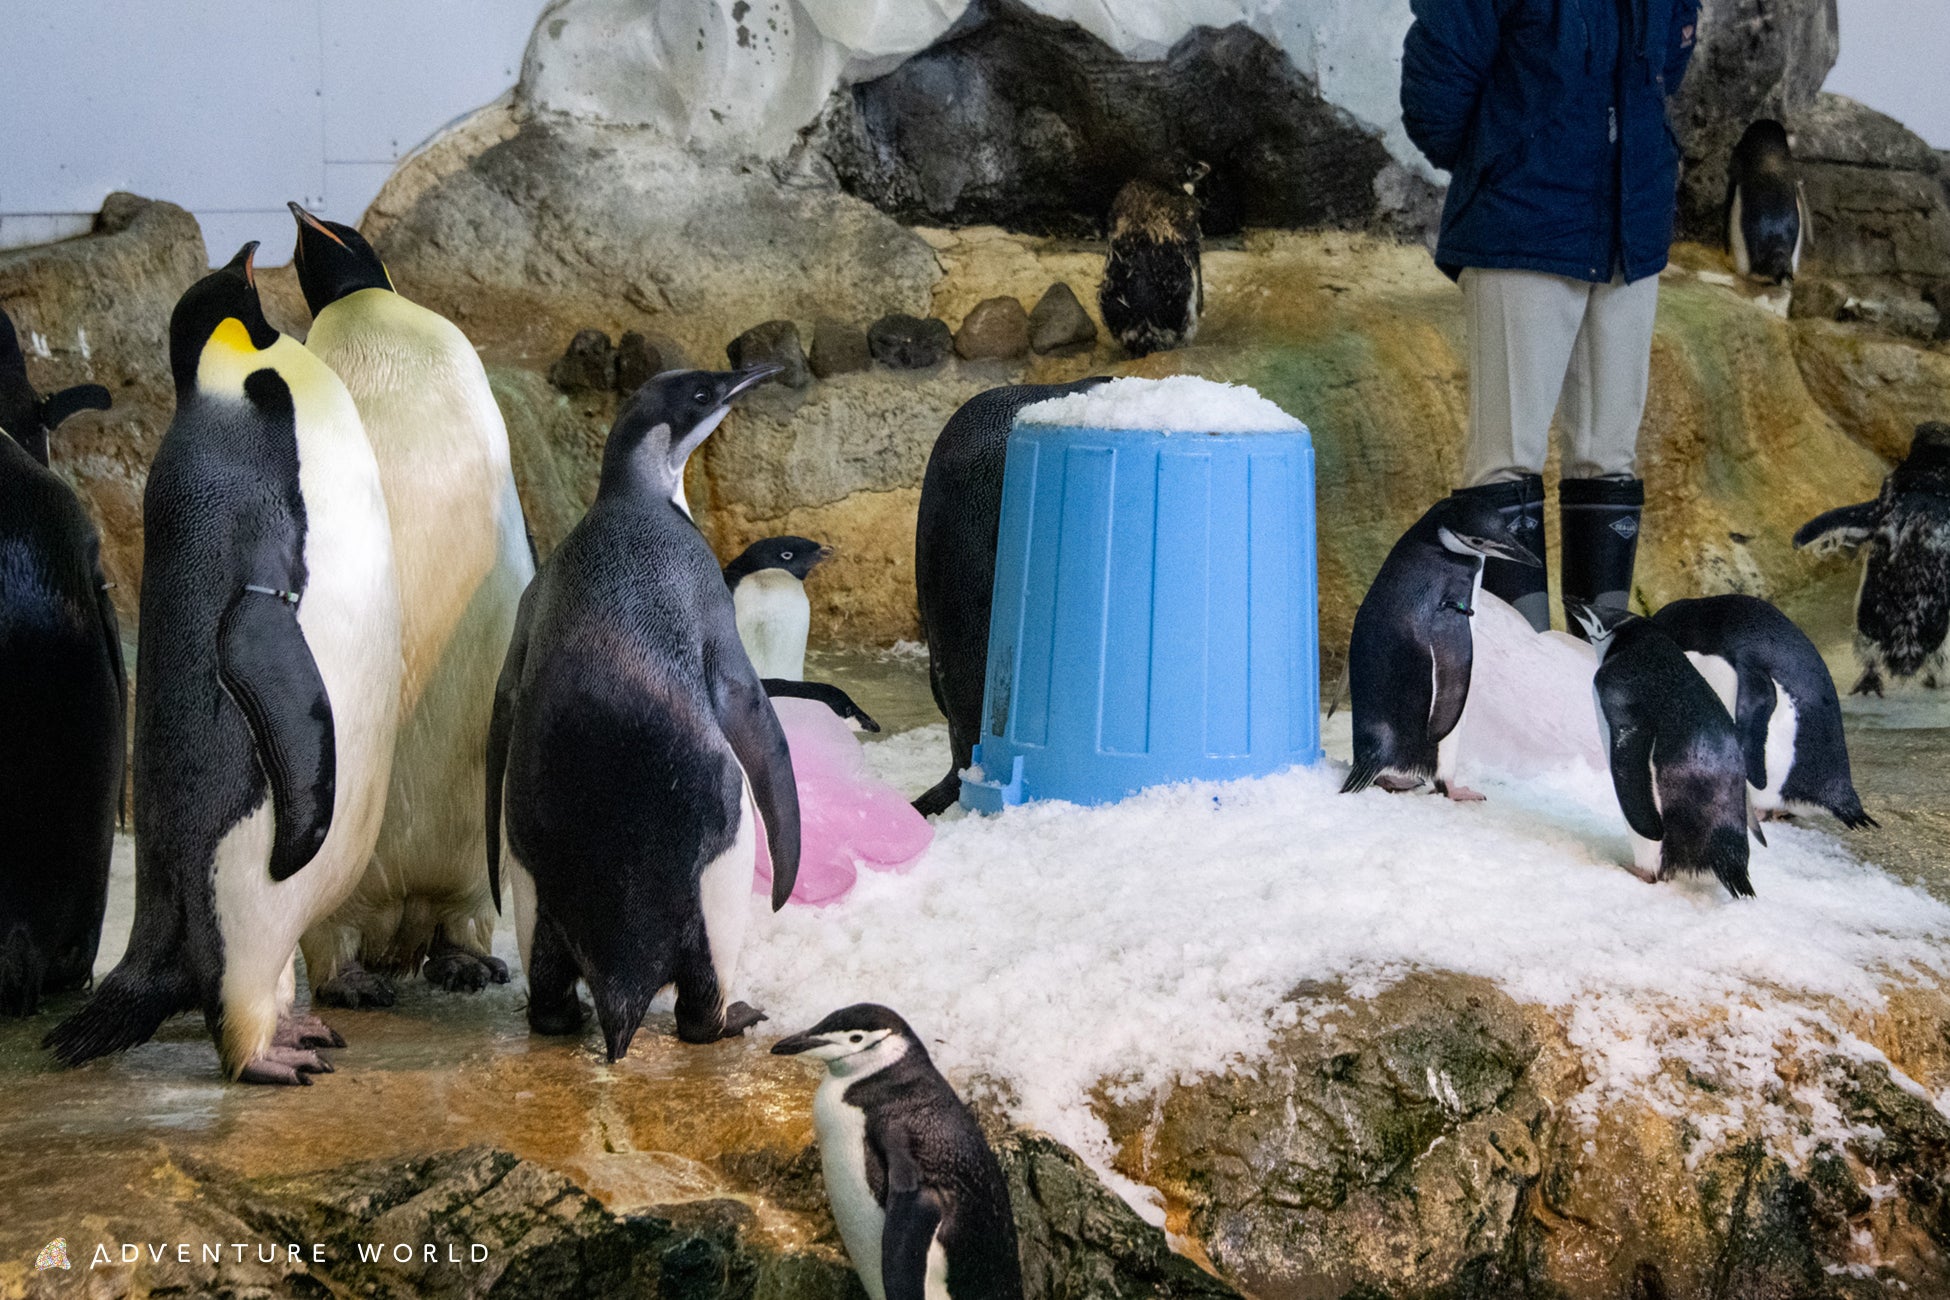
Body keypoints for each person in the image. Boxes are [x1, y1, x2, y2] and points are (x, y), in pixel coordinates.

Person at [1401, 0, 1701, 634]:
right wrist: (1510, 156)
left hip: (1629, 232)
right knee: (1505, 461)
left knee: (1609, 458)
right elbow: (1437, 83)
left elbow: (1668, 62)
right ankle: (1519, 671)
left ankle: (1601, 674)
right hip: (1522, 227)